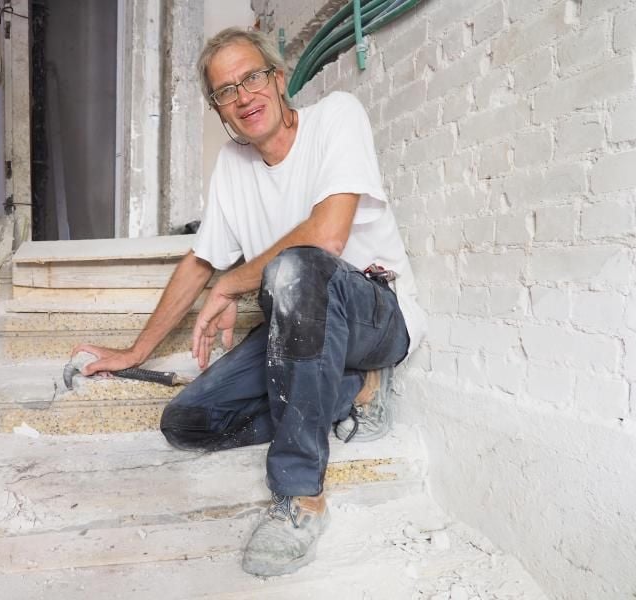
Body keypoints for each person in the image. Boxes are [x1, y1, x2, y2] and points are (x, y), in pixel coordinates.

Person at [72, 27, 426, 577]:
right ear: (219, 110)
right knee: (188, 420)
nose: (244, 96)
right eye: (226, 91)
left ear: (279, 79)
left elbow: (327, 236)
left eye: (253, 77)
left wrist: (234, 283)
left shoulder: (337, 116)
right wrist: (134, 351)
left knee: (294, 267)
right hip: (298, 327)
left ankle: (300, 497)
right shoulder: (233, 168)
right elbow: (200, 260)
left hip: (373, 314)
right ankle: (356, 388)